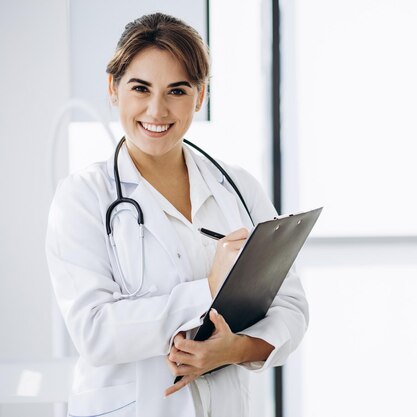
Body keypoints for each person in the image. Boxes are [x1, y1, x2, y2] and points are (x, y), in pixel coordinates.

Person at [46, 12, 308, 417]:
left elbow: (290, 306)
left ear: (200, 96)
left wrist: (232, 350)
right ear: (113, 89)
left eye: (177, 91)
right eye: (140, 88)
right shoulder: (83, 197)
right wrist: (208, 287)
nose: (157, 109)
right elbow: (94, 331)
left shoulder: (237, 188)